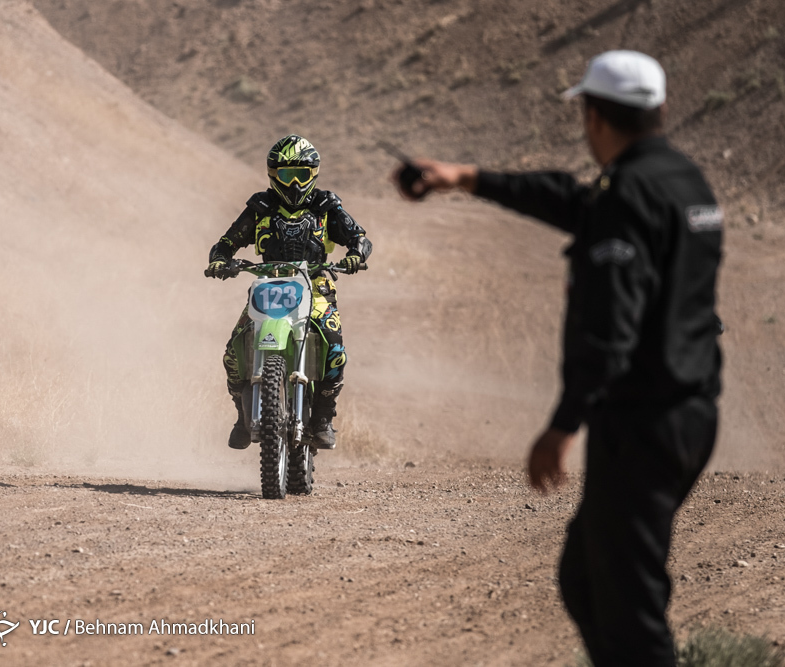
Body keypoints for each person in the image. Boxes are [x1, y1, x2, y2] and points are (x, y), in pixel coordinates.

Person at [395, 51, 723, 666]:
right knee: (586, 580)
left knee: (629, 607)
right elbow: (573, 202)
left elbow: (611, 329)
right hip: (689, 415)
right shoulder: (685, 182)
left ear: (593, 115)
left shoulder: (628, 194)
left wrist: (563, 425)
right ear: (661, 110)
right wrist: (464, 177)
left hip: (644, 423)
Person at [206, 134, 372, 450]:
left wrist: (355, 256)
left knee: (335, 350)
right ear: (273, 175)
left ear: (314, 173)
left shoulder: (326, 206)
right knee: (232, 354)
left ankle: (322, 419)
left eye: (301, 174)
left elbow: (360, 239)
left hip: (316, 286)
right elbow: (226, 242)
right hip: (268, 285)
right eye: (286, 174)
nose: (294, 183)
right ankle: (242, 417)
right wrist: (220, 260)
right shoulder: (260, 207)